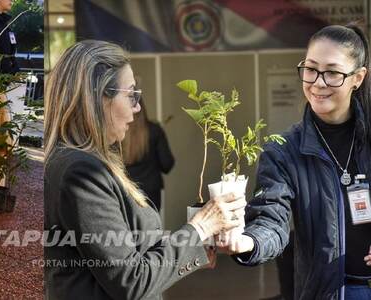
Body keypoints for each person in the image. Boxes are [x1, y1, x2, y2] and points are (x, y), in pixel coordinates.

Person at [44, 39, 247, 300]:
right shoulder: (82, 173)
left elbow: (128, 252)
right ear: (98, 98)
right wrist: (200, 228)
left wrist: (192, 247)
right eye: (131, 95)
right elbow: (131, 281)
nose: (137, 107)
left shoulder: (78, 161)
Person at [223, 24, 371, 300]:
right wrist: (248, 242)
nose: (318, 82)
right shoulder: (283, 151)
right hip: (326, 292)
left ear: (358, 78)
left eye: (333, 73)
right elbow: (271, 221)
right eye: (311, 69)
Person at [122, 105, 174, 211]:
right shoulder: (154, 130)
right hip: (151, 193)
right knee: (151, 226)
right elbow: (167, 164)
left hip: (126, 190)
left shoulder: (119, 133)